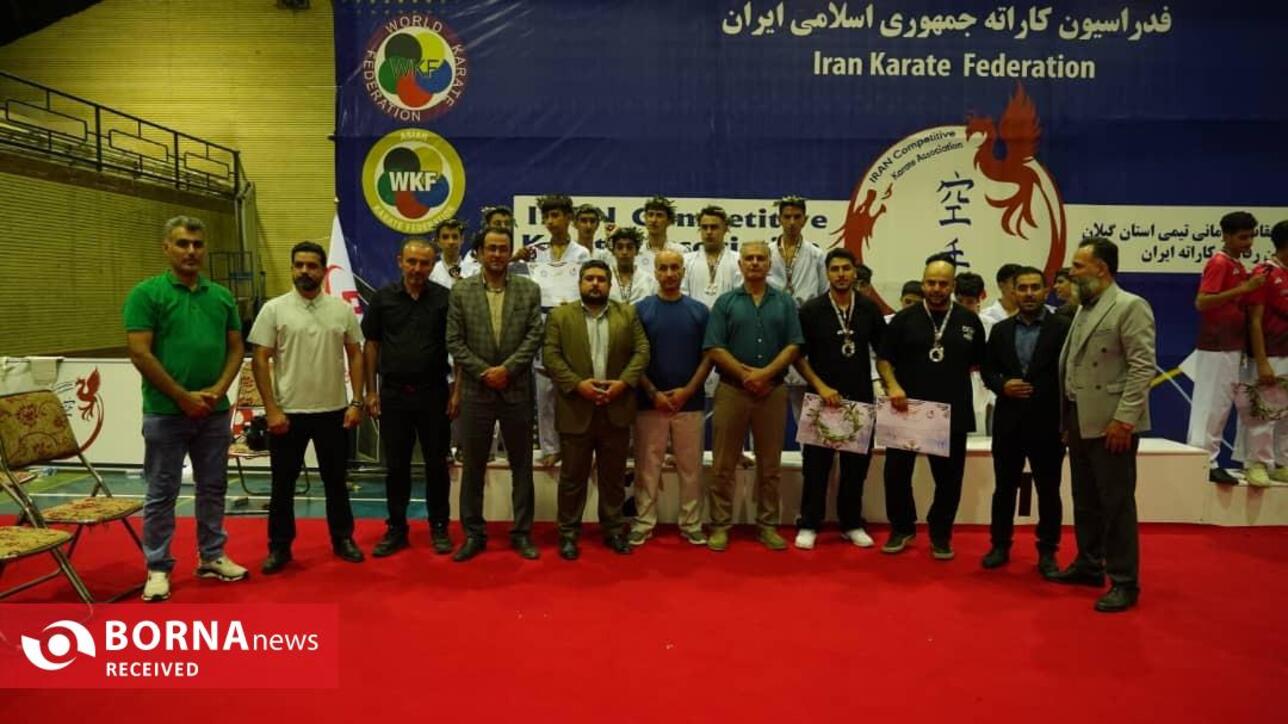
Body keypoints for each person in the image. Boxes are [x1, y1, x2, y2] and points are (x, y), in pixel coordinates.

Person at [124, 215, 247, 601]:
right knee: (162, 492)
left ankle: (211, 556)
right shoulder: (146, 294)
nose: (191, 251)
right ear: (167, 248)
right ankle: (158, 566)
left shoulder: (222, 297)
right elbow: (140, 353)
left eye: (197, 244)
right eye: (182, 244)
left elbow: (236, 348)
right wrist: (182, 396)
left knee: (213, 487)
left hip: (214, 412)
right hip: (165, 413)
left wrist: (218, 390)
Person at [1051, 237, 1155, 613]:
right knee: (1085, 500)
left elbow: (1142, 367)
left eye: (1078, 266)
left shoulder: (1130, 306)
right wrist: (1068, 418)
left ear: (1101, 268)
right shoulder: (1083, 306)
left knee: (1116, 504)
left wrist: (1124, 420)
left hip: (1113, 423)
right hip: (1080, 418)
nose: (1072, 272)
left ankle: (1124, 581)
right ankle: (1089, 564)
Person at [249, 241, 365, 574]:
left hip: (334, 411)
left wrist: (356, 401)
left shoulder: (341, 310)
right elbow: (260, 359)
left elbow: (356, 355)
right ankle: (279, 547)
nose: (304, 271)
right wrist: (271, 409)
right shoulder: (274, 309)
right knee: (282, 486)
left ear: (323, 270)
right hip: (288, 414)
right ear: (291, 268)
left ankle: (342, 539)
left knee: (336, 482)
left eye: (312, 266)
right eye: (299, 265)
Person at [446, 225, 545, 562]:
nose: (498, 254)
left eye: (503, 248)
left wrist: (507, 370)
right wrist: (484, 372)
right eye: (491, 248)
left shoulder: (529, 289)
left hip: (516, 389)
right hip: (476, 391)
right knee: (473, 467)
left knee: (522, 466)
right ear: (479, 253)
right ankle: (473, 534)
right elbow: (454, 341)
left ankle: (522, 533)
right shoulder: (462, 291)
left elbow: (534, 335)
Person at [876, 257, 985, 560]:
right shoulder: (904, 319)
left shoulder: (969, 320)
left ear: (953, 285)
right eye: (931, 282)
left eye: (943, 283)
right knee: (896, 474)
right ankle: (902, 528)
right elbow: (883, 359)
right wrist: (892, 386)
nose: (936, 289)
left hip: (951, 411)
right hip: (907, 408)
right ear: (923, 282)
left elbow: (978, 362)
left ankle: (940, 533)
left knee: (949, 479)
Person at [543, 260, 651, 559]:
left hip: (616, 407)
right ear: (579, 283)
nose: (595, 284)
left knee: (613, 478)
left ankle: (614, 530)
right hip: (576, 408)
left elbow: (642, 351)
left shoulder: (627, 314)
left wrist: (623, 384)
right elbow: (550, 356)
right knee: (572, 479)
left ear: (609, 284)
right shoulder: (560, 316)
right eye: (589, 278)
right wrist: (579, 385)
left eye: (601, 279)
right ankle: (568, 534)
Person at [704, 240, 804, 551]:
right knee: (723, 465)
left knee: (770, 465)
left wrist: (765, 374)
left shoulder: (784, 302)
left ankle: (767, 525)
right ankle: (720, 526)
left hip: (772, 391)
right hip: (732, 391)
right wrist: (747, 375)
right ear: (741, 264)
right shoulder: (725, 302)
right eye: (749, 258)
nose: (755, 263)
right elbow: (714, 347)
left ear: (769, 264)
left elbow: (794, 345)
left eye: (761, 258)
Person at [362, 237, 458, 558]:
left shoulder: (445, 299)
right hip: (394, 395)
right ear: (400, 261)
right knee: (396, 467)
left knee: (437, 466)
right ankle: (396, 528)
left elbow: (457, 347)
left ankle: (439, 526)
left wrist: (457, 391)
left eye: (424, 263)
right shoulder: (382, 299)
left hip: (434, 394)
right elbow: (371, 345)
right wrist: (370, 391)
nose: (417, 268)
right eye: (412, 262)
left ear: (432, 265)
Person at [791, 248, 885, 549]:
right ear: (827, 273)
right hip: (822, 397)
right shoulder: (811, 310)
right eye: (835, 269)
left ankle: (852, 523)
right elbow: (797, 356)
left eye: (846, 268)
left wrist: (891, 385)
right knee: (816, 466)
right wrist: (820, 386)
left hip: (859, 398)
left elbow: (884, 353)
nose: (841, 274)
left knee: (855, 467)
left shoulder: (868, 309)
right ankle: (809, 523)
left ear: (855, 272)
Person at [981, 266, 1071, 575]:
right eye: (1023, 288)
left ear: (1046, 291)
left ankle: (1048, 552)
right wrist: (1002, 385)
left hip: (1049, 423)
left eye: (1035, 287)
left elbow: (1071, 374)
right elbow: (988, 370)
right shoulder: (1001, 330)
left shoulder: (1063, 328)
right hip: (1009, 422)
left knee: (1049, 490)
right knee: (1004, 489)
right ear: (1013, 292)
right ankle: (999, 545)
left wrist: (1068, 422)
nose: (1029, 293)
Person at [631, 249, 713, 546]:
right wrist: (653, 393)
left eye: (674, 267)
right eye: (663, 268)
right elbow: (633, 357)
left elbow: (709, 356)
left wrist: (688, 390)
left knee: (691, 469)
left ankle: (691, 523)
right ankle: (643, 522)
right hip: (649, 403)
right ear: (655, 271)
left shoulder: (699, 311)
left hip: (689, 403)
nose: (669, 273)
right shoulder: (640, 310)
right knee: (647, 468)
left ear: (683, 271)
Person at [1188, 211, 1263, 485]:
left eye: (1251, 236)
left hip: (1230, 344)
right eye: (1243, 237)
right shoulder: (1219, 263)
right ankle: (1206, 462)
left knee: (1218, 407)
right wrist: (1244, 288)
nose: (1248, 242)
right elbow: (1202, 302)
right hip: (1217, 345)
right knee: (1211, 406)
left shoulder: (1236, 265)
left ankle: (1206, 460)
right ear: (1226, 236)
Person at [526, 194, 592, 467]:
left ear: (568, 218)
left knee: (574, 387)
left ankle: (575, 444)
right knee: (545, 391)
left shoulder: (582, 254)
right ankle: (550, 447)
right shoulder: (535, 252)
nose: (550, 221)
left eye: (555, 216)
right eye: (546, 217)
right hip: (542, 323)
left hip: (572, 323)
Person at [767, 195, 828, 424]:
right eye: (787, 217)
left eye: (797, 217)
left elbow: (823, 294)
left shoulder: (816, 254)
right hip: (773, 326)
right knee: (767, 396)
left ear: (805, 219)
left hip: (805, 327)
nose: (791, 222)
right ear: (779, 219)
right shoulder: (767, 252)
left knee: (805, 404)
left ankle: (807, 447)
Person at [1242, 220, 1288, 486]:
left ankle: (1280, 463)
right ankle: (1256, 464)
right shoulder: (1264, 273)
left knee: (1285, 415)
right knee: (1263, 413)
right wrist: (1261, 362)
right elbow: (1254, 321)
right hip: (1269, 354)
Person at [683, 205, 742, 308]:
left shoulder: (738, 260)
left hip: (727, 316)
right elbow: (683, 296)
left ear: (725, 229)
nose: (709, 232)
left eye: (714, 227)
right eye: (704, 227)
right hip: (694, 317)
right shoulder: (686, 260)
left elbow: (739, 297)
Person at [606, 226, 658, 304]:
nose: (624, 252)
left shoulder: (648, 281)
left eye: (629, 247)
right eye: (620, 247)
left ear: (636, 251)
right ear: (613, 251)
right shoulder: (604, 278)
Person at [637, 195, 687, 273]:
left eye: (659, 215)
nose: (654, 220)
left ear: (669, 221)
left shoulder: (680, 252)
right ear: (645, 219)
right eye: (650, 215)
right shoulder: (636, 252)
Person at [428, 218, 478, 286]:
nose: (451, 242)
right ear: (438, 241)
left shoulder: (474, 271)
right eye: (445, 237)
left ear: (462, 239)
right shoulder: (431, 272)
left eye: (455, 237)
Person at [979, 263, 1022, 329]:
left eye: (1022, 285)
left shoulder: (1030, 316)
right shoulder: (984, 316)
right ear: (1001, 285)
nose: (1018, 288)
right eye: (1015, 283)